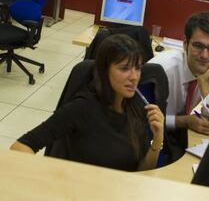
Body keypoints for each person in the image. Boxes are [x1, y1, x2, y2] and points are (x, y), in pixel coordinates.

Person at [10, 34, 165, 172]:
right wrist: (51, 182)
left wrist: (157, 141)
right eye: (124, 68)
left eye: (137, 68)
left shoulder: (137, 108)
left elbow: (140, 172)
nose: (134, 76)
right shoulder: (82, 108)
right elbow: (20, 147)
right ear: (104, 71)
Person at [148, 12, 209, 137]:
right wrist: (184, 121)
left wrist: (204, 82)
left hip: (180, 139)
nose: (204, 55)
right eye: (198, 46)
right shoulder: (161, 69)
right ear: (185, 43)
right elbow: (138, 119)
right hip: (151, 138)